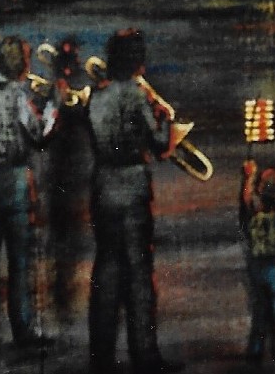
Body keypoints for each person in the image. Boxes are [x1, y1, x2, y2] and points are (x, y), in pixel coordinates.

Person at [85, 27, 183, 374]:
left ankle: (101, 356)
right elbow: (159, 145)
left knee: (106, 271)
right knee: (139, 273)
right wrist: (166, 117)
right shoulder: (137, 95)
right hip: (132, 185)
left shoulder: (95, 96)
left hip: (102, 185)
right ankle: (145, 354)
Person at [0, 34, 57, 349]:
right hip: (15, 179)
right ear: (20, 63)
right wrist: (52, 107)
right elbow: (39, 134)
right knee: (20, 259)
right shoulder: (19, 96)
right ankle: (22, 328)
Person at [239, 160, 275, 362]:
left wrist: (250, 176)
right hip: (271, 264)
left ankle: (258, 348)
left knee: (261, 307)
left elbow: (247, 197)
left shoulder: (255, 209)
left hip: (259, 264)